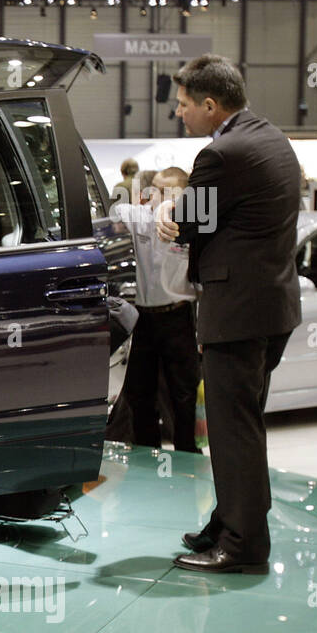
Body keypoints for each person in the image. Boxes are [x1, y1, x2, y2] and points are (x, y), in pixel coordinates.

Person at [156, 54, 302, 575]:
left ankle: (242, 547)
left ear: (211, 105)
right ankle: (228, 522)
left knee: (233, 431)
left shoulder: (222, 154)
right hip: (271, 309)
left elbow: (192, 222)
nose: (179, 113)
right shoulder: (272, 139)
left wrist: (169, 218)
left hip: (238, 314)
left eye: (184, 104)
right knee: (243, 426)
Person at [114, 166, 199, 454]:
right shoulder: (140, 218)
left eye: (165, 190)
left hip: (178, 317)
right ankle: (148, 458)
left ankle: (187, 457)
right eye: (154, 188)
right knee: (141, 396)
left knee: (183, 395)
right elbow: (115, 213)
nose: (156, 195)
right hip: (144, 321)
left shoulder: (193, 222)